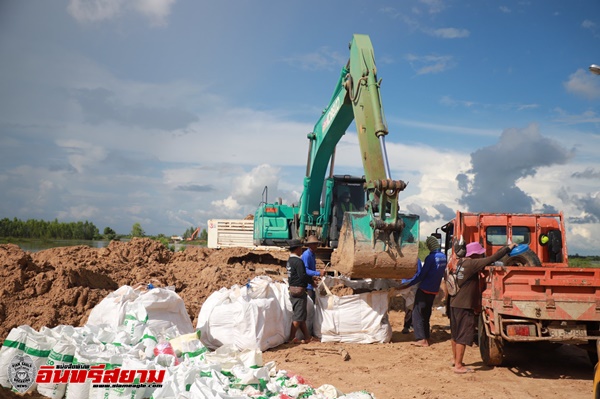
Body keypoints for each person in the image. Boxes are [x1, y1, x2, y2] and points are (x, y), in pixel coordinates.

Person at [449, 241, 516, 374]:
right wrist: (508, 248)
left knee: (455, 334)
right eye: (480, 254)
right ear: (475, 255)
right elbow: (492, 258)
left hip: (454, 303)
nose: (481, 256)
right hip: (464, 305)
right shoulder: (472, 263)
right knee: (463, 335)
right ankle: (458, 366)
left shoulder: (458, 263)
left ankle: (455, 359)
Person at [401, 236, 447, 347]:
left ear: (429, 246)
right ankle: (427, 336)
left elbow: (421, 275)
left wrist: (409, 284)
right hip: (433, 291)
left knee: (417, 314)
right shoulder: (444, 257)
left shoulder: (430, 258)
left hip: (424, 289)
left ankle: (422, 339)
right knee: (426, 314)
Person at [286, 239, 313, 344]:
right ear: (297, 249)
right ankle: (290, 339)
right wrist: (312, 281)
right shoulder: (298, 261)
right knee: (298, 317)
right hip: (299, 290)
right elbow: (302, 276)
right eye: (301, 248)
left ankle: (307, 337)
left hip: (292, 288)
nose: (301, 250)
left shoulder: (290, 261)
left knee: (301, 316)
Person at [300, 235, 324, 303]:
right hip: (307, 285)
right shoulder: (307, 255)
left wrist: (313, 277)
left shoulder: (312, 254)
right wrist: (318, 273)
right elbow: (305, 270)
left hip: (310, 282)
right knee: (310, 303)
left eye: (317, 244)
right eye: (314, 244)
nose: (316, 246)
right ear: (310, 245)